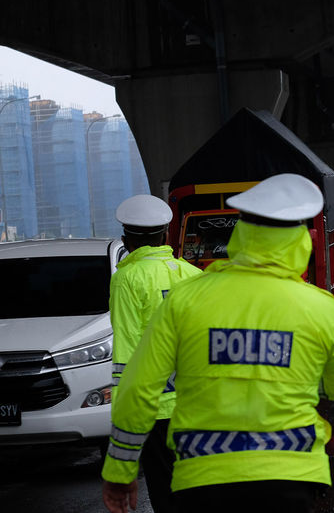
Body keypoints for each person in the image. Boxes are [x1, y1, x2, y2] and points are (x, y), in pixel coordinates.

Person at [101, 174, 334, 513]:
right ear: (302, 239)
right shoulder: (318, 306)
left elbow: (136, 389)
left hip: (202, 479)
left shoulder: (185, 299)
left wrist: (120, 469)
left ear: (240, 232)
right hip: (292, 474)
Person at [109, 195, 203, 513]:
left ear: (126, 240)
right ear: (165, 235)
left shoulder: (126, 280)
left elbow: (126, 354)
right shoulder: (193, 274)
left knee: (167, 496)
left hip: (158, 411)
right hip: (199, 407)